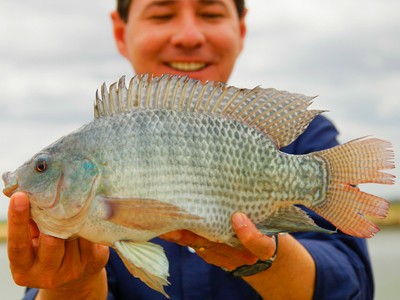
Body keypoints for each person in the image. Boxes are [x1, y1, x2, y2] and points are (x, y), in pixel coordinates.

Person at [7, 0, 374, 299]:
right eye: (162, 14)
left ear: (241, 29)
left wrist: (266, 257)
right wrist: (75, 283)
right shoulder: (85, 150)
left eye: (211, 13)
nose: (188, 35)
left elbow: (352, 284)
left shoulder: (308, 140)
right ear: (121, 33)